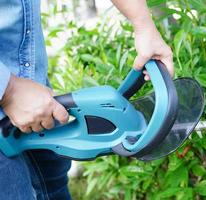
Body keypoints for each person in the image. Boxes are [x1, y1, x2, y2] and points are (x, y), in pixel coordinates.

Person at [0, 0, 174, 199]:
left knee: (53, 186)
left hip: (37, 96)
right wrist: (9, 91)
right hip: (11, 98)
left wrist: (144, 26)